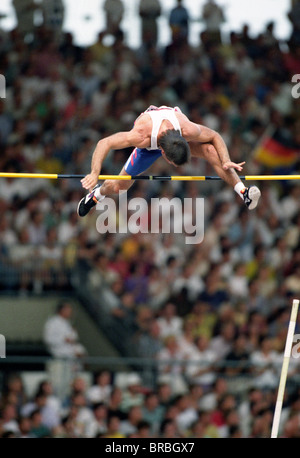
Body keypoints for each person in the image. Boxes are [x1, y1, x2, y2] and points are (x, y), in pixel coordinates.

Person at [77, 105, 261, 217]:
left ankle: (243, 192)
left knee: (211, 150)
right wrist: (95, 172)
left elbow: (214, 135)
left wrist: (226, 159)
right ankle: (96, 195)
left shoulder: (187, 128)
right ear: (163, 153)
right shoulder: (141, 135)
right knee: (119, 187)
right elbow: (105, 142)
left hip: (171, 135)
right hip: (147, 147)